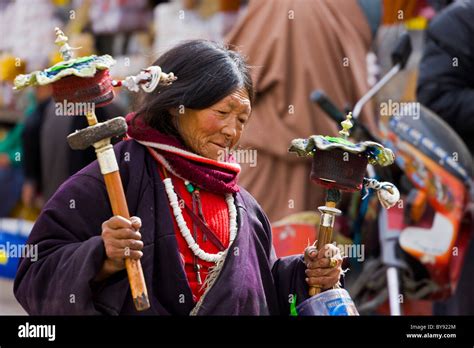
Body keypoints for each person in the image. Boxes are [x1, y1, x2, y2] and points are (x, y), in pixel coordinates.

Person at [14, 40, 343, 315]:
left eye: (243, 118)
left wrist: (307, 274)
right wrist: (101, 257)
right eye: (222, 113)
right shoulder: (117, 175)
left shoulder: (244, 208)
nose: (232, 131)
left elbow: (262, 288)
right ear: (178, 105)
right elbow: (35, 272)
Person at [225, 0, 378, 222]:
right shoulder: (343, 7)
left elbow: (228, 82)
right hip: (329, 166)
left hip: (267, 168)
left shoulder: (277, 6)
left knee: (253, 247)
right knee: (309, 246)